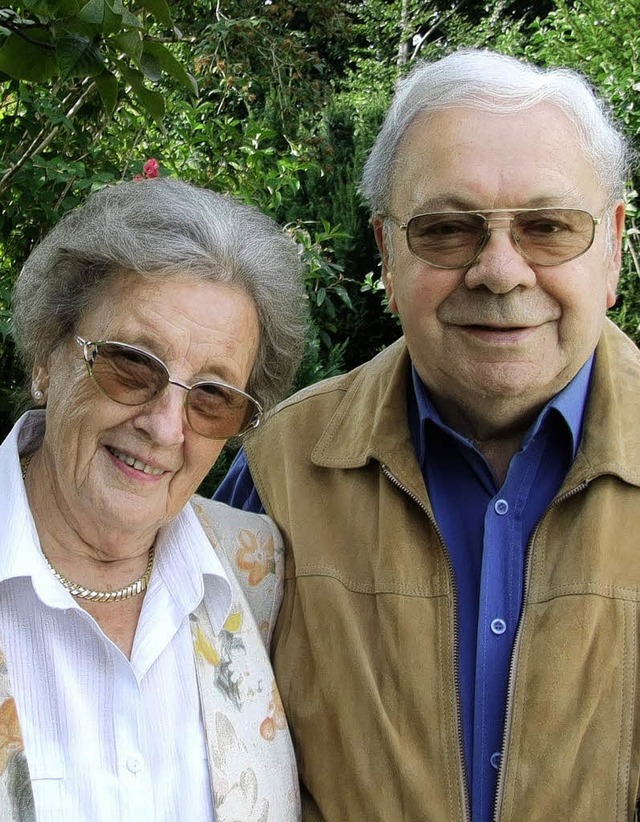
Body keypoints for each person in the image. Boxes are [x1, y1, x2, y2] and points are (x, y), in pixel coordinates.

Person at [215, 49, 640, 821]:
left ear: (611, 244)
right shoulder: (279, 472)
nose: (501, 271)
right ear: (386, 252)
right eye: (447, 230)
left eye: (547, 227)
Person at [1, 177, 306, 821]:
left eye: (213, 397)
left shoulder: (255, 570)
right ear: (47, 358)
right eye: (132, 366)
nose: (167, 428)